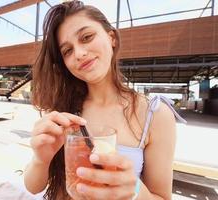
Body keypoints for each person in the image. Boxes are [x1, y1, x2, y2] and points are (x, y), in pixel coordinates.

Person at [24, 1, 185, 199]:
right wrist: (41, 159)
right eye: (67, 51)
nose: (80, 54)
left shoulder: (155, 115)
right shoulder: (63, 111)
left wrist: (133, 189)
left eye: (87, 37)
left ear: (112, 38)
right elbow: (33, 187)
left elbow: (162, 196)